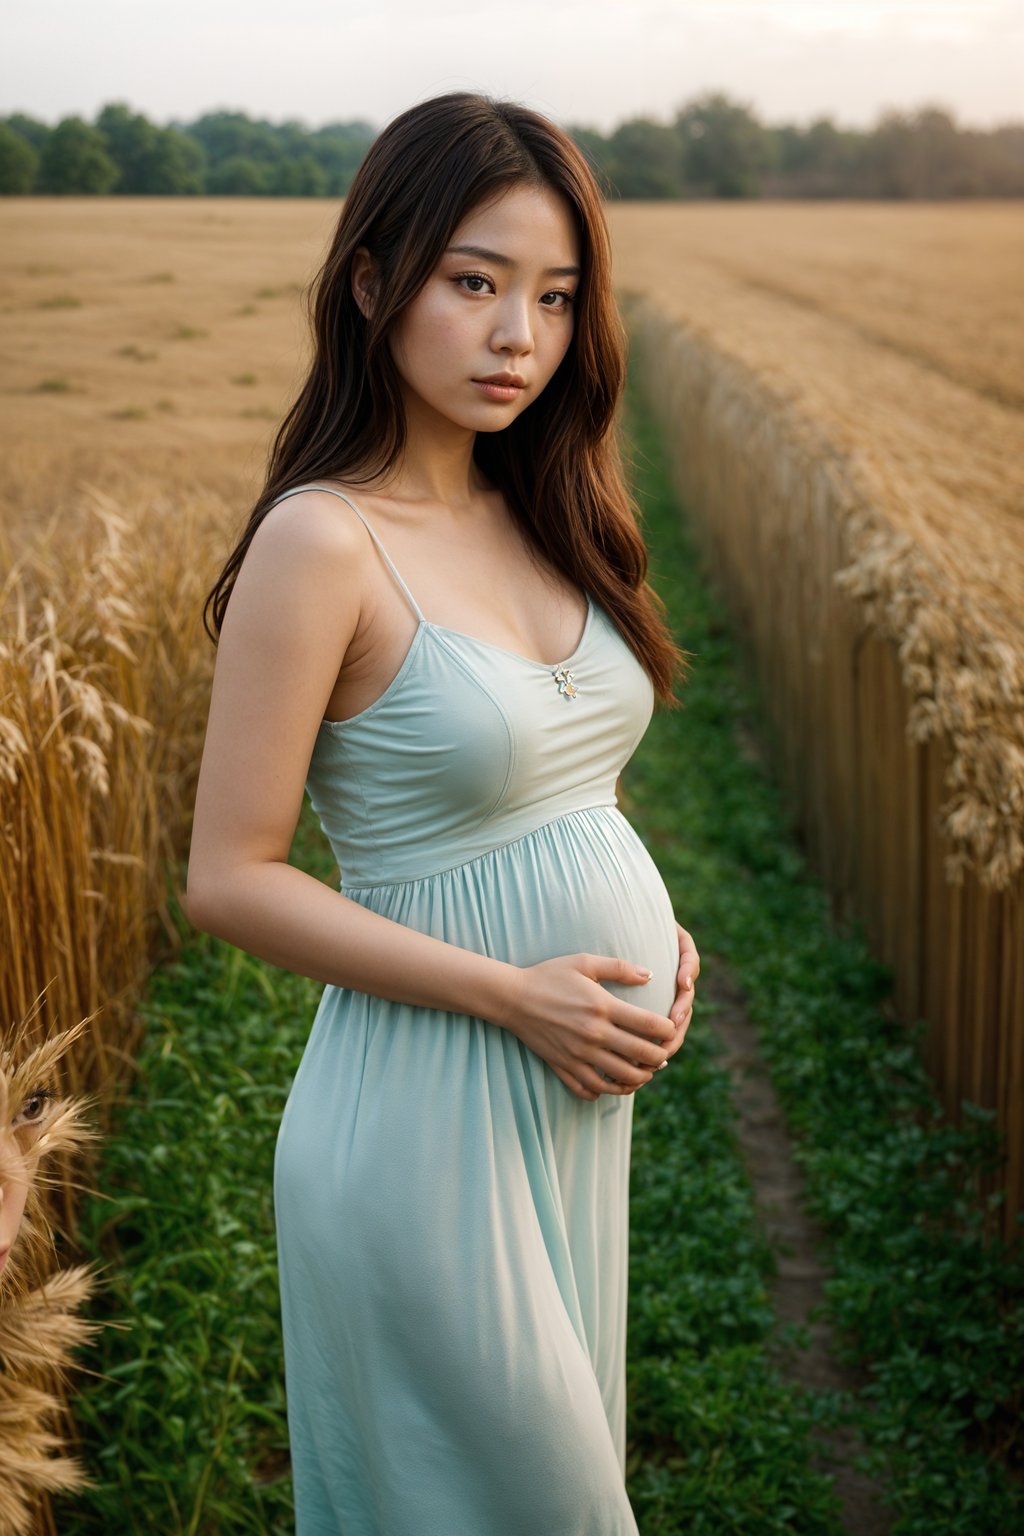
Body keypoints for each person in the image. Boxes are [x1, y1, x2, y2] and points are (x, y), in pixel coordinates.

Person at [185, 90, 700, 1536]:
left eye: (552, 295)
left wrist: (654, 928)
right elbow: (228, 879)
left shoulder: (548, 507)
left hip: (566, 1105)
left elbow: (554, 791)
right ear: (372, 280)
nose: (516, 337)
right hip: (421, 1130)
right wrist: (514, 992)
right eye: (473, 283)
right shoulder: (322, 540)